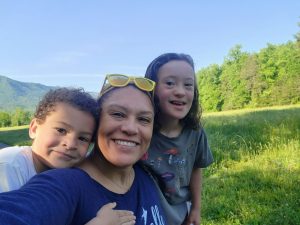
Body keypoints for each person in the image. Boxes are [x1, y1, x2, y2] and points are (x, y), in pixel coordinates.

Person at [0, 74, 166, 225]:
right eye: (118, 114)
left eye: (144, 119)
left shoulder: (146, 176)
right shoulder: (63, 185)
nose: (131, 128)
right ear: (97, 125)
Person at [140, 53, 214, 225]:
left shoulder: (195, 132)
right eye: (170, 83)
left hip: (181, 215)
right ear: (152, 88)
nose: (180, 92)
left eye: (188, 85)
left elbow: (196, 167)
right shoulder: (142, 131)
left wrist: (196, 208)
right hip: (146, 215)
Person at [0, 87, 98, 192]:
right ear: (34, 129)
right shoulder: (8, 166)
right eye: (61, 130)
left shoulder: (82, 168)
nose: (70, 144)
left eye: (82, 138)